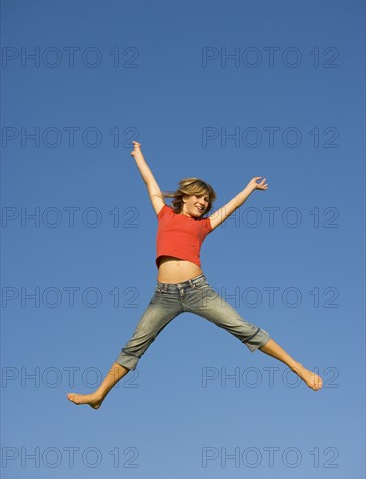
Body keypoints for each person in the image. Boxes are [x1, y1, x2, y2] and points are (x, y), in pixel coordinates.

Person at [67, 141, 322, 409]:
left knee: (244, 328)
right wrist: (138, 155)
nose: (203, 203)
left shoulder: (203, 225)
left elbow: (231, 207)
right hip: (163, 296)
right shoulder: (164, 214)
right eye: (199, 197)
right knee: (134, 345)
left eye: (207, 200)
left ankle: (298, 368)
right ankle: (99, 394)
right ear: (185, 196)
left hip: (198, 291)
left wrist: (249, 188)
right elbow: (150, 183)